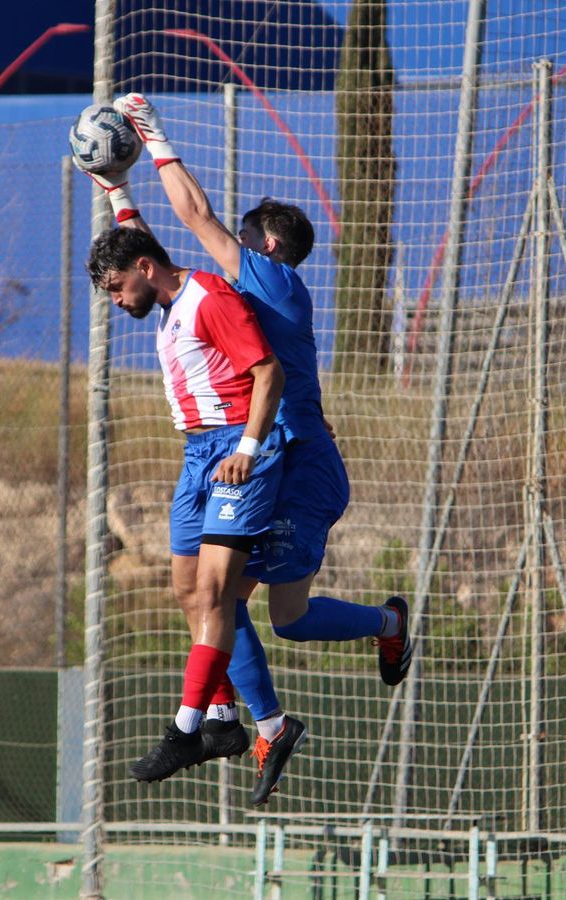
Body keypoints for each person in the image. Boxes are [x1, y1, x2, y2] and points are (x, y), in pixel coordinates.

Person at [98, 94, 415, 805]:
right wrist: (118, 196)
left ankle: (233, 721)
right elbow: (159, 263)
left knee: (229, 596)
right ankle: (254, 705)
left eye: (242, 235)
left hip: (296, 464)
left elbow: (192, 219)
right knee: (268, 612)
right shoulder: (239, 288)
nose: (227, 243)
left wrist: (152, 137)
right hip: (288, 456)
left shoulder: (272, 278)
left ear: (267, 244)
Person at [84, 225, 289, 787]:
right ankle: (225, 720)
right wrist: (116, 184)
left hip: (236, 449)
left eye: (119, 286)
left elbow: (268, 372)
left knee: (216, 592)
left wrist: (248, 448)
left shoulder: (208, 297)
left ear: (146, 268)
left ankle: (184, 727)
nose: (118, 299)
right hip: (198, 453)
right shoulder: (168, 301)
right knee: (185, 588)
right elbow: (135, 238)